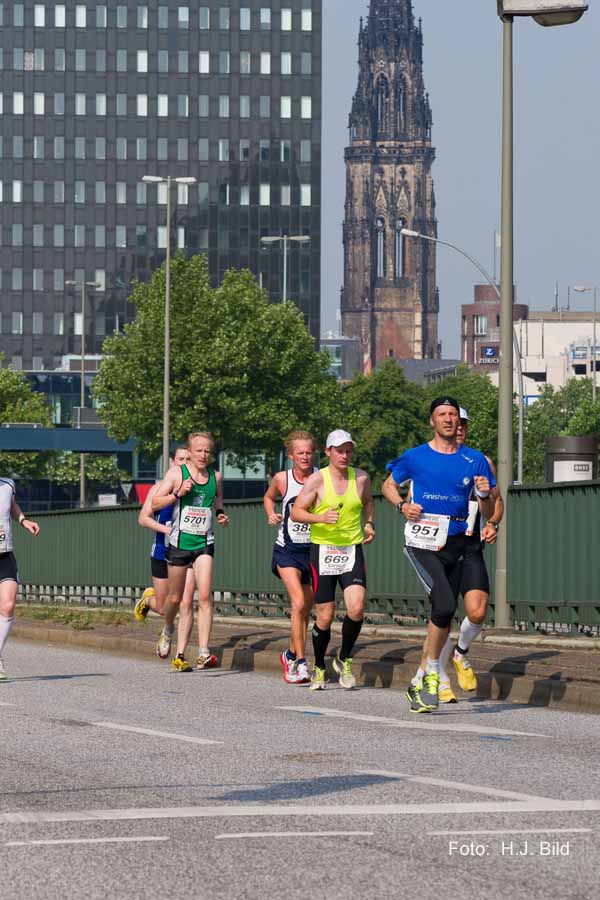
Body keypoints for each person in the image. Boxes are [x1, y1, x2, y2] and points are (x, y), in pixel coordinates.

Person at [382, 397, 495, 713]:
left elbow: (487, 508)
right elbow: (389, 484)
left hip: (464, 542)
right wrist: (402, 506)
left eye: (453, 415)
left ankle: (422, 676)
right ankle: (432, 672)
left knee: (474, 610)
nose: (448, 419)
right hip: (425, 542)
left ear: (459, 422)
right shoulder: (416, 456)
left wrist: (485, 495)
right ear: (432, 421)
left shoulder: (475, 460)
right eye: (442, 415)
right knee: (444, 604)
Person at [291, 429, 375, 691]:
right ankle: (318, 667)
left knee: (357, 607)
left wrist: (369, 524)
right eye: (339, 450)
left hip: (351, 549)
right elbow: (296, 513)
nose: (344, 455)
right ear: (327, 452)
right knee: (325, 615)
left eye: (348, 450)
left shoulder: (361, 478)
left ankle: (344, 659)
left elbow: (369, 501)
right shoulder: (317, 480)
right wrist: (320, 518)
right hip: (323, 551)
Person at [152, 432, 228, 671]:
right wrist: (177, 494)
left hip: (204, 541)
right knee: (175, 599)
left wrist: (221, 514)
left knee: (205, 595)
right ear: (191, 452)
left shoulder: (216, 476)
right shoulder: (177, 474)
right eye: (199, 451)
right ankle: (167, 629)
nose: (203, 455)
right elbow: (155, 502)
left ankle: (204, 651)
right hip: (179, 544)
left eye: (207, 451)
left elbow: (217, 502)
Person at [264, 431, 316, 685]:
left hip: (313, 551)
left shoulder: (321, 478)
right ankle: (301, 663)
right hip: (286, 550)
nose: (305, 457)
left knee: (306, 607)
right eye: (300, 453)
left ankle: (291, 653)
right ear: (291, 455)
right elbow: (268, 496)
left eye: (308, 452)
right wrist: (270, 512)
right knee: (298, 603)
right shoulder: (282, 479)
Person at [134, 445, 196, 661]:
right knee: (163, 607)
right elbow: (143, 518)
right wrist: (168, 529)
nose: (185, 463)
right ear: (172, 461)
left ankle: (180, 652)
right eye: (181, 459)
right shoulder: (160, 487)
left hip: (187, 550)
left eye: (189, 459)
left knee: (185, 600)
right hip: (163, 549)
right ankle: (147, 599)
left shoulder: (197, 488)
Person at [0, 477, 40, 681]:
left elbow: (12, 506)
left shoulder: (8, 485)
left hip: (4, 554)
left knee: (7, 605)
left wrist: (24, 520)